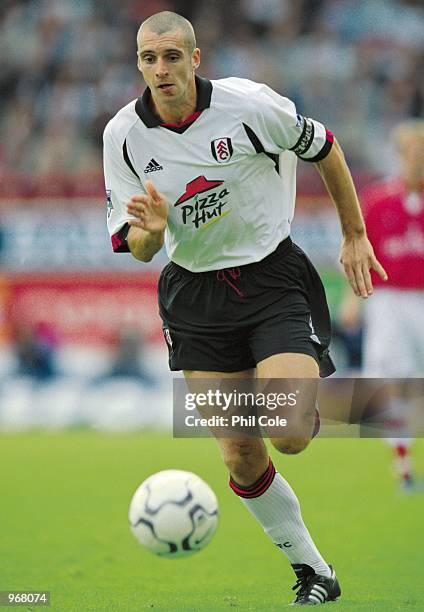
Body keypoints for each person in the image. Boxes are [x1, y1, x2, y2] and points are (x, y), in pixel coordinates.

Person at [103, 11, 386, 605]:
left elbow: (326, 146)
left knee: (287, 433)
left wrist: (355, 233)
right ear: (139, 65)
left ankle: (311, 400)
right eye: (150, 59)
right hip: (193, 295)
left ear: (195, 59)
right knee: (237, 453)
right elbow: (136, 247)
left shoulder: (250, 105)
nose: (162, 69)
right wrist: (150, 234)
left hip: (270, 278)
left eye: (172, 56)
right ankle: (315, 572)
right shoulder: (122, 136)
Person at [360, 120, 424, 491]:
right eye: (413, 154)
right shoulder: (378, 200)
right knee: (394, 379)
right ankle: (403, 465)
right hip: (390, 301)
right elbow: (359, 250)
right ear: (400, 155)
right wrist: (356, 297)